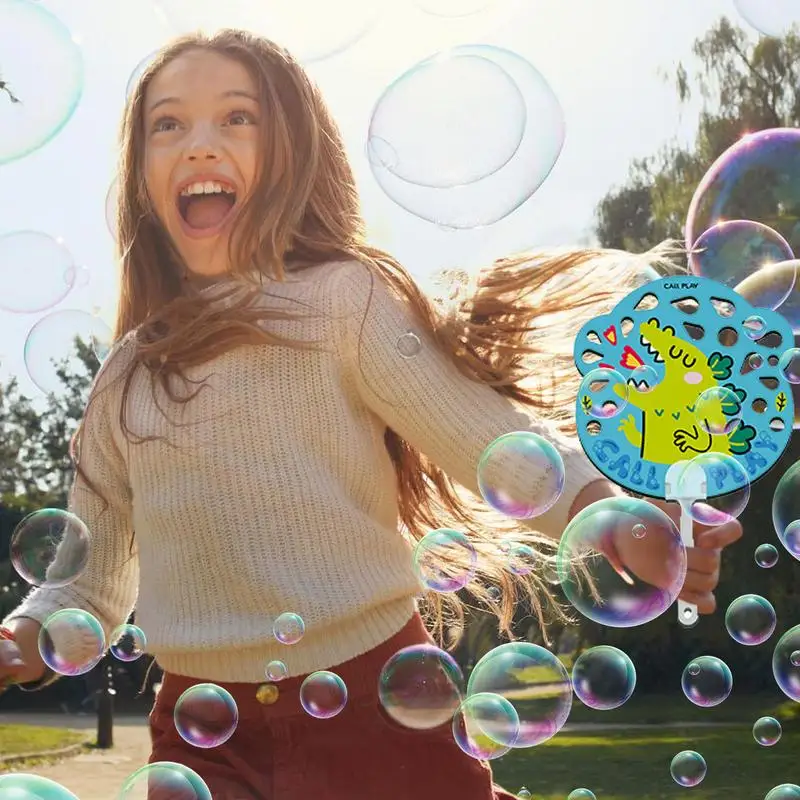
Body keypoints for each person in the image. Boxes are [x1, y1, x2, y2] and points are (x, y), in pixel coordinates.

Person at [0, 30, 741, 800]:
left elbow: (487, 439)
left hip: (382, 704)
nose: (199, 144)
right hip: (203, 740)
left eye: (237, 118)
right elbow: (86, 585)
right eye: (169, 124)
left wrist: (610, 512)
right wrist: (28, 629)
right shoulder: (125, 379)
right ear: (142, 174)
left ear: (290, 153)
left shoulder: (341, 302)